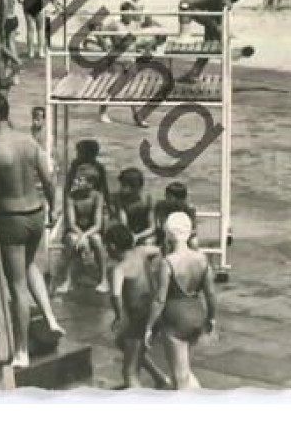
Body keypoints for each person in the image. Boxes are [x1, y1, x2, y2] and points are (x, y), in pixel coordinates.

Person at [0, 91, 63, 369]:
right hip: (36, 213)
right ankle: (50, 318)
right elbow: (48, 180)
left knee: (16, 286)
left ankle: (22, 351)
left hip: (11, 218)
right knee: (29, 266)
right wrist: (53, 208)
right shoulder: (28, 141)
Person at [147, 210, 216, 389]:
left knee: (179, 377)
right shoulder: (202, 259)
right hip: (196, 315)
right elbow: (211, 294)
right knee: (185, 369)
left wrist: (149, 326)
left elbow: (160, 300)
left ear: (169, 234)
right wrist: (211, 318)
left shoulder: (168, 262)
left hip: (175, 318)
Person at [105, 223, 171, 389]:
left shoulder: (119, 269)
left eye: (107, 246)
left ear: (112, 246)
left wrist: (119, 316)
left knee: (129, 371)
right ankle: (160, 378)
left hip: (138, 320)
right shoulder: (142, 252)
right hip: (154, 313)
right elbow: (158, 250)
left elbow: (115, 296)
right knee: (123, 343)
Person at [56, 165, 109, 295]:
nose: (76, 182)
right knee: (71, 240)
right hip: (75, 230)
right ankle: (67, 280)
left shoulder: (97, 196)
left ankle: (104, 279)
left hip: (92, 230)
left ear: (91, 183)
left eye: (80, 180)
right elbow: (71, 223)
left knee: (97, 240)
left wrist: (85, 236)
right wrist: (80, 236)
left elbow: (98, 224)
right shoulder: (71, 197)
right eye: (76, 180)